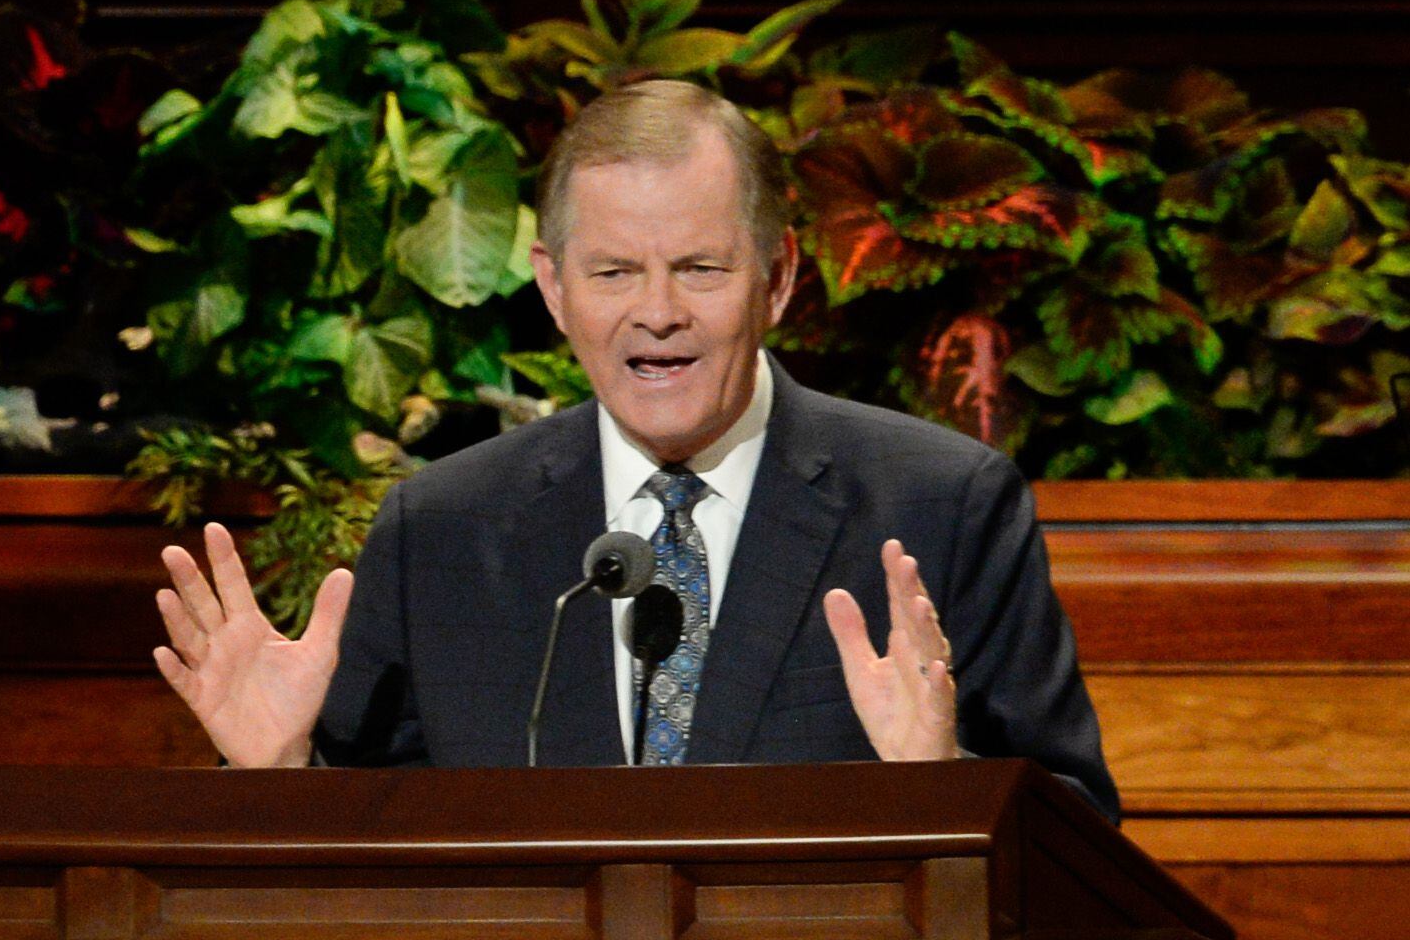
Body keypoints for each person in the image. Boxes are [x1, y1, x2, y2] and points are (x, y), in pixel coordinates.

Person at [152, 80, 1119, 821]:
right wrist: (273, 773)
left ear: (777, 278)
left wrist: (942, 789)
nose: (656, 315)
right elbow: (368, 866)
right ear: (553, 287)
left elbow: (1086, 842)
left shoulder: (941, 505)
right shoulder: (441, 530)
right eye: (613, 271)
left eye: (699, 268)